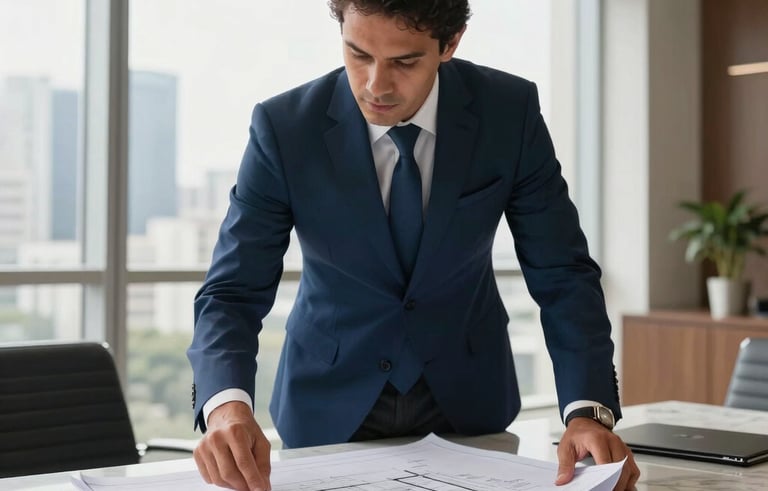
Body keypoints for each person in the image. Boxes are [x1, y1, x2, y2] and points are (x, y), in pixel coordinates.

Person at [188, 1, 640, 490]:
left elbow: (562, 273)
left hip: (470, 405)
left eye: (404, 62)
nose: (375, 85)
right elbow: (232, 290)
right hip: (328, 407)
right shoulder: (284, 128)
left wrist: (588, 411)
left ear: (450, 44)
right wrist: (226, 405)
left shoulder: (509, 113)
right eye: (358, 53)